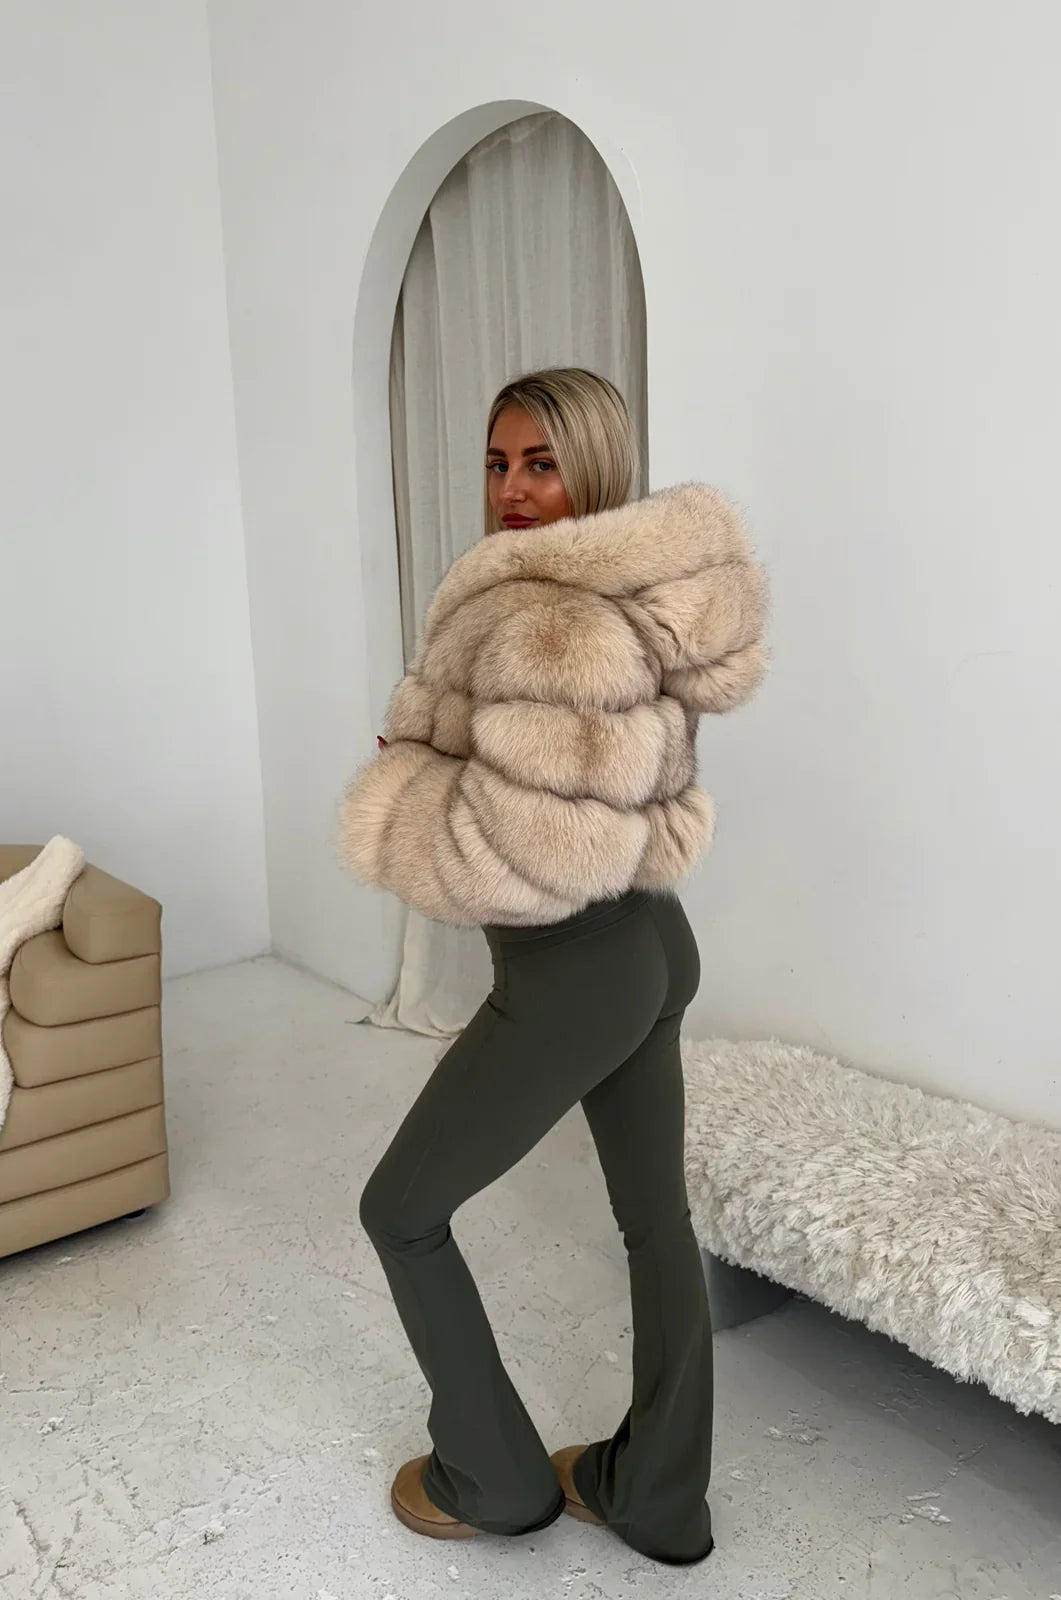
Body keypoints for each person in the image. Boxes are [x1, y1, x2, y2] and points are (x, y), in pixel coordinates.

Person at [340, 367, 768, 1566]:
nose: (513, 490)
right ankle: (660, 1498)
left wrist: (406, 777)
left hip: (574, 966)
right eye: (497, 462)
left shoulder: (542, 617)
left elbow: (522, 848)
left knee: (400, 1211)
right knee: (654, 1223)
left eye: (541, 463)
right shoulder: (633, 589)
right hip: (653, 939)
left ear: (594, 465)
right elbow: (597, 787)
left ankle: (496, 1478)